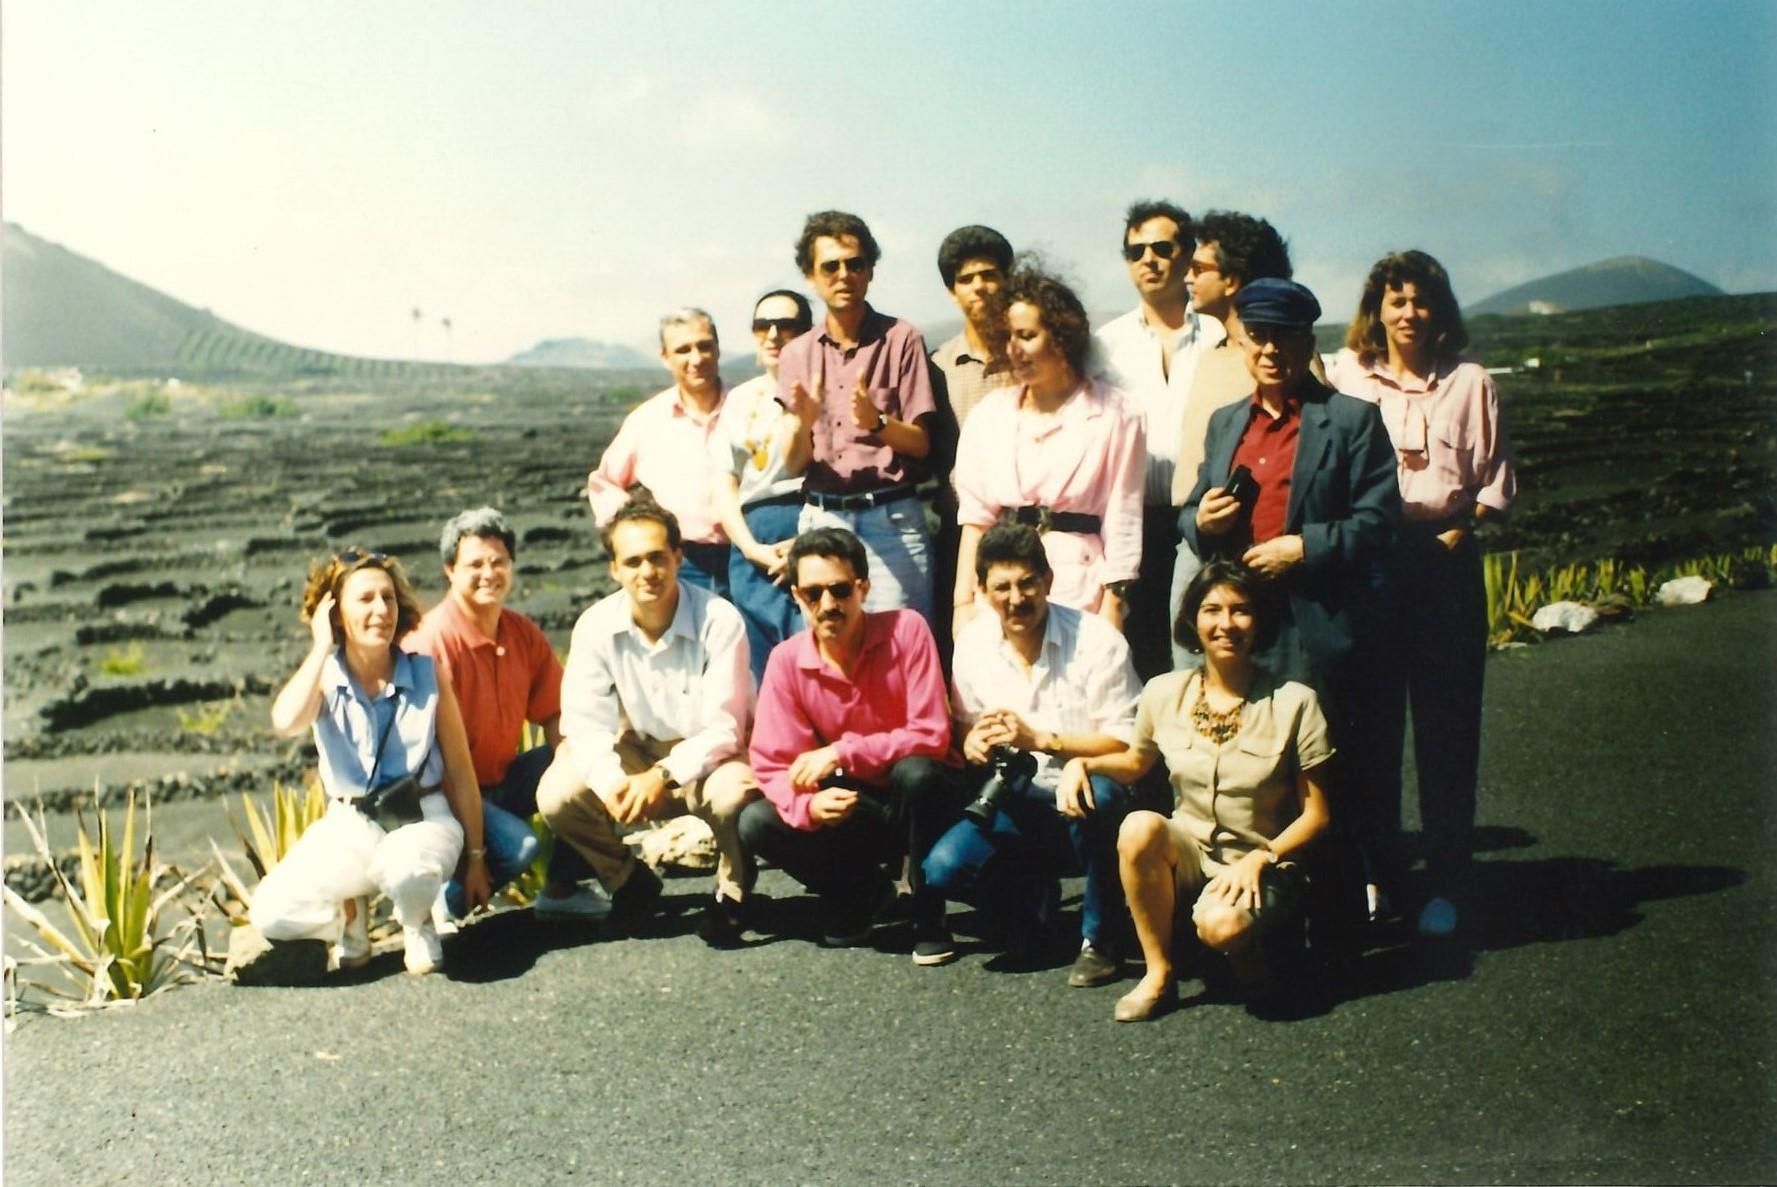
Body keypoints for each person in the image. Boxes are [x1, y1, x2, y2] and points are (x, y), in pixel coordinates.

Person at [1180, 278, 1399, 945]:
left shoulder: (1350, 419)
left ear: (1307, 341)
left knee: (1323, 773)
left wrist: (1303, 546)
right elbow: (1191, 514)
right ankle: (1267, 915)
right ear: (1243, 340)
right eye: (1258, 336)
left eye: (1285, 336)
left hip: (1315, 624)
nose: (1270, 349)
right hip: (1243, 632)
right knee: (1256, 776)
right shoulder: (1226, 422)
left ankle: (1349, 919)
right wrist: (1203, 519)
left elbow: (1379, 521)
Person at [1328, 250, 1516, 936]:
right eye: (1395, 299)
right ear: (1375, 307)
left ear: (1439, 309)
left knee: (1446, 731)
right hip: (1369, 564)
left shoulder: (1471, 382)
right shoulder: (1345, 375)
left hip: (1442, 564)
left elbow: (1494, 482)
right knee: (1368, 732)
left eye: (1421, 300)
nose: (1408, 313)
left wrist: (1460, 527)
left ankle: (1446, 884)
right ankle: (1379, 874)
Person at [1064, 561, 1332, 1020]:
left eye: (1240, 611)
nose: (1226, 624)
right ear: (1192, 621)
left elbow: (1317, 816)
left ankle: (1247, 952)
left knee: (1221, 926)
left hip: (1262, 863)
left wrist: (1262, 857)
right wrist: (1082, 763)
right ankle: (1159, 973)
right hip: (1192, 852)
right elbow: (1134, 763)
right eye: (1212, 610)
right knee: (1138, 827)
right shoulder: (1164, 692)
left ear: (1259, 621)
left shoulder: (1295, 703)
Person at [922, 522, 1143, 983]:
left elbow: (1128, 742)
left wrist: (1041, 739)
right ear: (981, 590)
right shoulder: (973, 644)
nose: (1016, 598)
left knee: (1099, 797)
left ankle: (1100, 938)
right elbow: (967, 724)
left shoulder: (1099, 641)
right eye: (1001, 587)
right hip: (1017, 796)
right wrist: (972, 743)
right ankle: (1031, 904)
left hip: (1084, 790)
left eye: (1027, 583)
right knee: (943, 868)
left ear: (1049, 581)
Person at [534, 495, 760, 946]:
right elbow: (584, 724)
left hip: (713, 755)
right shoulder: (595, 626)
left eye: (657, 557)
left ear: (678, 556)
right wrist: (611, 783)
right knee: (557, 795)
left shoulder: (720, 620)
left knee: (735, 796)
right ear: (614, 570)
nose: (647, 572)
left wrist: (662, 776)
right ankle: (628, 882)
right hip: (638, 750)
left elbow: (726, 728)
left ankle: (733, 892)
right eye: (632, 561)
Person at [251, 549, 489, 976]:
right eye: (365, 599)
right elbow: (285, 722)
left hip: (423, 818)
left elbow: (460, 770)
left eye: (389, 598)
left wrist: (475, 858)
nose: (381, 610)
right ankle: (348, 916)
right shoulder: (325, 676)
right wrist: (321, 646)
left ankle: (417, 924)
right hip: (352, 824)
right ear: (336, 614)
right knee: (272, 912)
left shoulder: (427, 673)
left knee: (407, 865)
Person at [740, 527, 956, 953]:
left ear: (863, 588)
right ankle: (860, 893)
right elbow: (771, 764)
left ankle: (929, 911)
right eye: (812, 593)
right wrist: (807, 806)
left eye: (839, 590)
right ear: (798, 596)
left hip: (919, 799)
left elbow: (931, 734)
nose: (827, 605)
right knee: (755, 821)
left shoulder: (907, 631)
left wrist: (843, 751)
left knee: (918, 773)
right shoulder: (786, 661)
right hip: (854, 805)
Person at [405, 507, 604, 923]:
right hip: (445, 794)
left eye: (498, 562)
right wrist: (473, 848)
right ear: (449, 570)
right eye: (474, 564)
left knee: (595, 759)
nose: (488, 573)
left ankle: (561, 889)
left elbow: (558, 714)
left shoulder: (520, 633)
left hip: (501, 780)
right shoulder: (431, 642)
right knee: (520, 849)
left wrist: (572, 770)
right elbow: (426, 761)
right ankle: (439, 903)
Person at [952, 264, 1145, 633]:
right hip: (1000, 587)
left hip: (1079, 587)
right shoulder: (988, 415)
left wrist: (1113, 611)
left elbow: (1124, 520)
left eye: (1026, 335)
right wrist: (963, 605)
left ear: (1060, 335)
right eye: (1007, 336)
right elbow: (975, 521)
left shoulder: (1117, 413)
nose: (1014, 349)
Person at [774, 211, 940, 619]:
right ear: (810, 275)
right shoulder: (797, 354)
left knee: (902, 645)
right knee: (829, 651)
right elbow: (794, 463)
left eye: (855, 263)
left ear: (870, 271)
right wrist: (804, 423)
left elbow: (921, 445)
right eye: (830, 266)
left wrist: (877, 424)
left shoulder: (902, 339)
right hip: (824, 518)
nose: (843, 274)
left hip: (892, 519)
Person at [1092, 200, 1226, 678]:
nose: (1148, 259)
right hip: (1132, 524)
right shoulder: (1103, 345)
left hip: (1205, 522)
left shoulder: (1218, 334)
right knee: (1141, 655)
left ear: (1188, 254)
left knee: (1203, 656)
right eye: (1136, 251)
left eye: (1162, 247)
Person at [1168, 211, 1299, 665]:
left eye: (1199, 268)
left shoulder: (1283, 364)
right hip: (1197, 539)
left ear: (1233, 280)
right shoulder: (1211, 356)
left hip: (1249, 558)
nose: (1187, 277)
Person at [708, 289, 817, 684]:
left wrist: (809, 542)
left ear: (807, 333)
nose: (773, 335)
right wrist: (749, 548)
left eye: (786, 325)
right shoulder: (739, 400)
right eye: (762, 326)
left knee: (815, 657)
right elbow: (724, 482)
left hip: (809, 533)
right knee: (763, 668)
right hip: (753, 544)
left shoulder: (823, 393)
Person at [586, 308, 731, 596]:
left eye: (704, 346)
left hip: (748, 560)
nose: (696, 358)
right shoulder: (647, 421)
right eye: (683, 350)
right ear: (665, 357)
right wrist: (635, 534)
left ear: (718, 349)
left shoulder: (749, 406)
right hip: (681, 562)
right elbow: (605, 483)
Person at [929, 224, 1016, 432]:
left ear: (1008, 280)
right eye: (966, 279)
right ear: (952, 292)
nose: (978, 287)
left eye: (988, 275)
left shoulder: (1034, 357)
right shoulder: (937, 367)